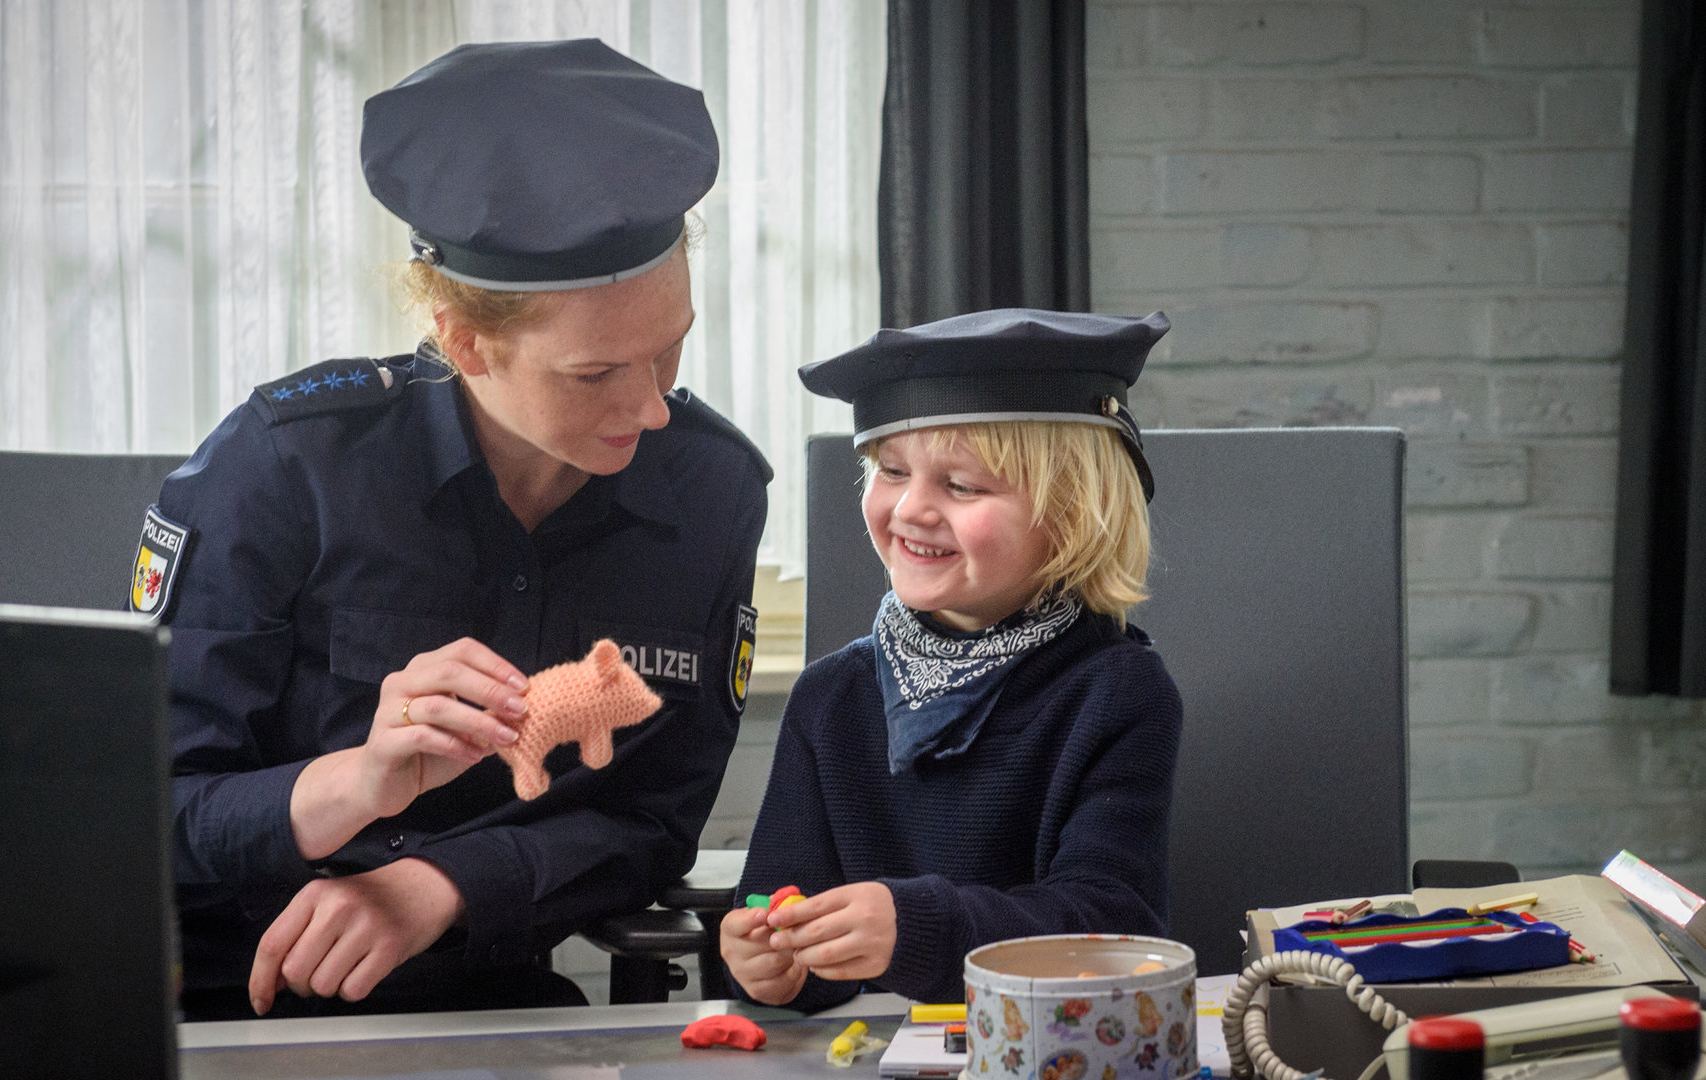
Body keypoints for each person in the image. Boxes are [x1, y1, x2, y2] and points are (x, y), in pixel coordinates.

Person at [131, 40, 771, 1020]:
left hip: (494, 999)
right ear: (461, 339)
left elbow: (651, 819)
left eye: (671, 347)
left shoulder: (711, 489)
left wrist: (445, 885)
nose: (650, 411)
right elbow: (138, 809)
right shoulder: (281, 468)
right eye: (595, 374)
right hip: (226, 1012)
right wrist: (357, 784)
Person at [719, 309, 1182, 1011]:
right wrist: (764, 960)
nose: (910, 509)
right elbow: (775, 904)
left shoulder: (1116, 693)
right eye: (891, 471)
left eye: (961, 486)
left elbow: (1109, 928)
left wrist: (917, 928)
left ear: (1072, 513)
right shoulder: (831, 697)